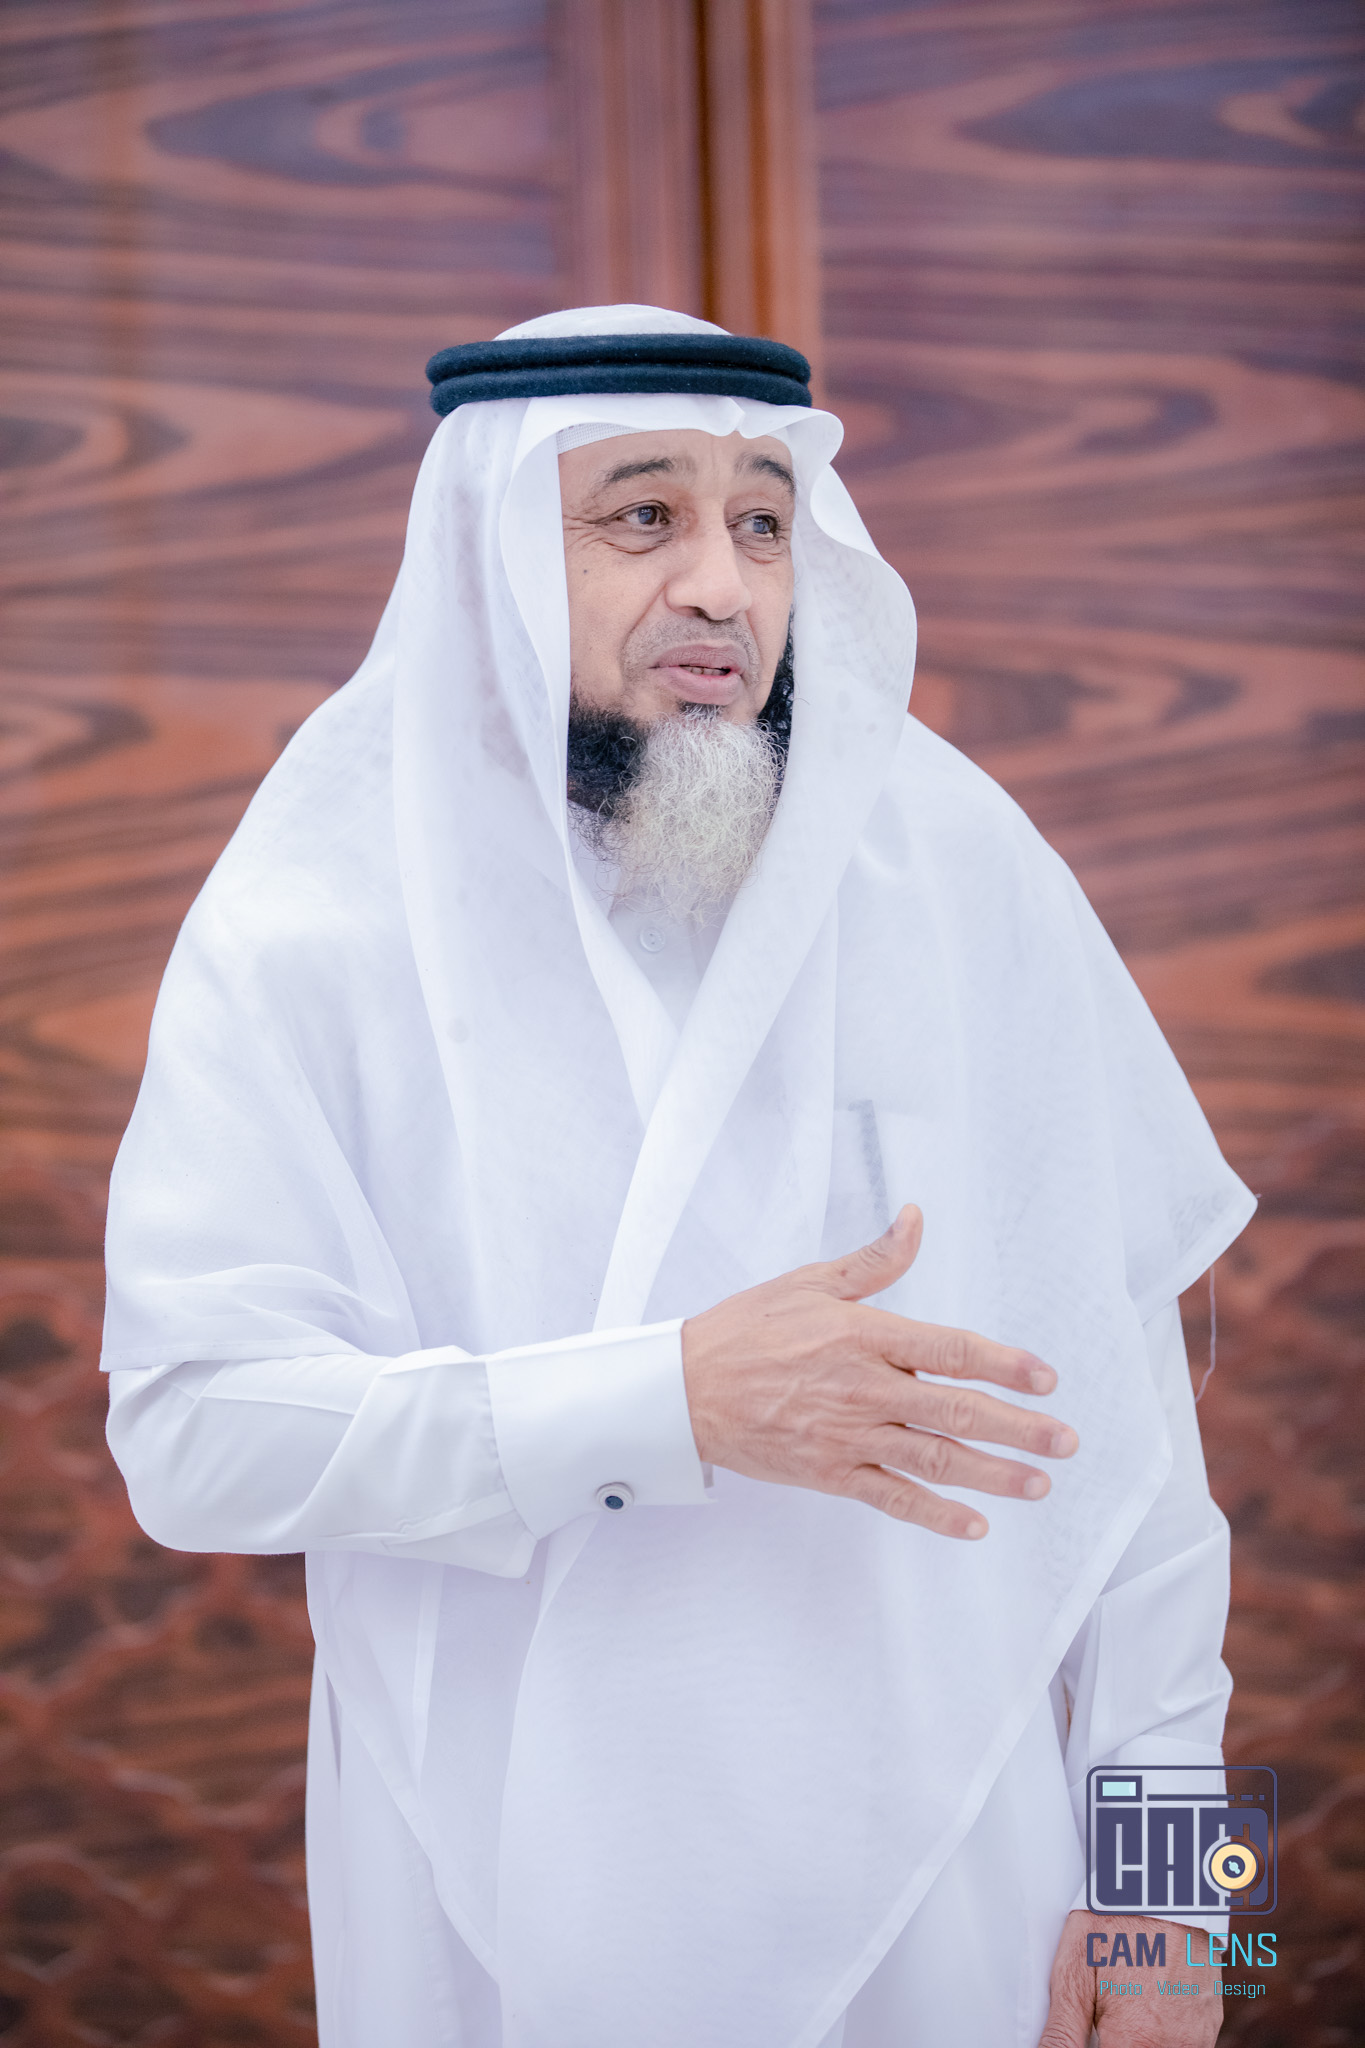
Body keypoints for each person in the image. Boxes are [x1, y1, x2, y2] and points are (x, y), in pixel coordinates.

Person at [102, 305, 1252, 2047]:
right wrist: (671, 1403)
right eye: (642, 515)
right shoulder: (314, 925)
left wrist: (1180, 1905)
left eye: (762, 522)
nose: (722, 584)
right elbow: (192, 1437)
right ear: (494, 552)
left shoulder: (954, 869)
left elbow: (1145, 1469)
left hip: (968, 1880)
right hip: (499, 1895)